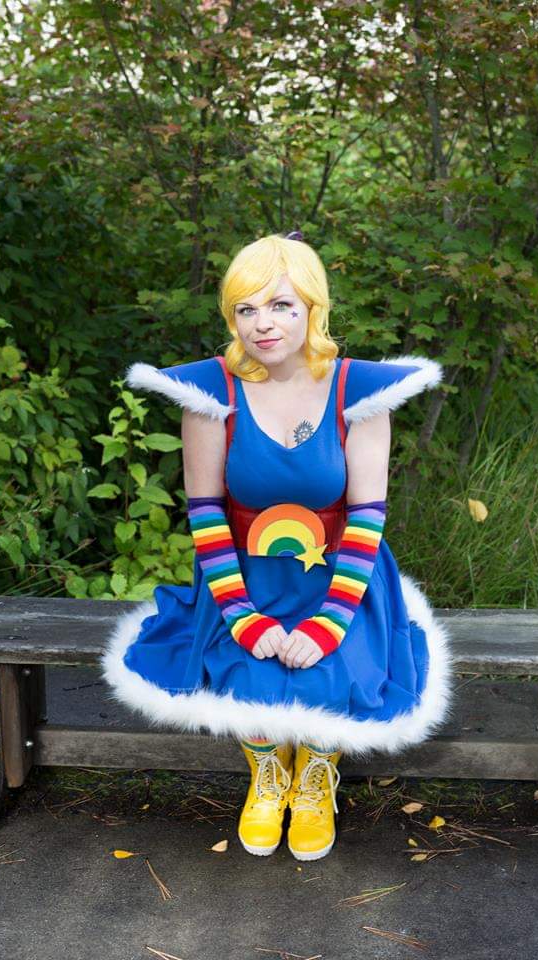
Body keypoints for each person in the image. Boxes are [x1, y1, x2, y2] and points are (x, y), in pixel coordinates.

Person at [100, 231, 455, 862]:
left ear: (313, 307)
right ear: (231, 316)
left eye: (282, 305)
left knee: (335, 671)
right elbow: (206, 514)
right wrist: (242, 616)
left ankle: (316, 775)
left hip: (344, 576)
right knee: (248, 672)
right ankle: (268, 774)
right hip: (244, 576)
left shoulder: (360, 392)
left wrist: (328, 622)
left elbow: (369, 516)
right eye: (247, 309)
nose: (263, 324)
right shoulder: (211, 392)